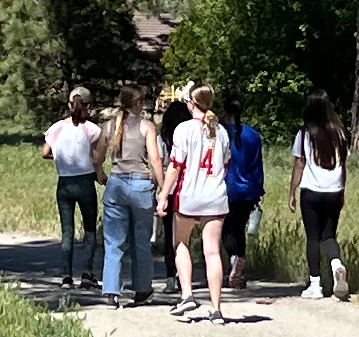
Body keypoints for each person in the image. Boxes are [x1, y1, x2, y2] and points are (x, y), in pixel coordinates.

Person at [167, 83, 235, 319]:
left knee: (181, 243)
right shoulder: (221, 131)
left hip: (189, 195)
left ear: (191, 103)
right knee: (212, 251)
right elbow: (225, 165)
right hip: (215, 195)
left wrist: (164, 194)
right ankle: (216, 308)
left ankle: (187, 294)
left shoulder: (184, 129)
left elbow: (175, 165)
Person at [100, 93, 165, 305]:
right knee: (141, 241)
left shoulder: (109, 126)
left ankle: (111, 291)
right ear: (138, 103)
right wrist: (163, 187)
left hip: (116, 183)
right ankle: (142, 289)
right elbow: (155, 159)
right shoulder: (147, 127)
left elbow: (97, 157)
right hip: (141, 185)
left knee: (114, 241)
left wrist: (100, 174)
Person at [42, 88, 103, 291]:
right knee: (90, 229)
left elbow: (45, 152)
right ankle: (87, 273)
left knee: (67, 230)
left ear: (69, 105)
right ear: (88, 106)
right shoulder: (91, 129)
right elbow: (98, 155)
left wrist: (60, 156)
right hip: (85, 181)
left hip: (64, 183)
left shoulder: (57, 128)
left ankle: (66, 277)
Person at [295, 92, 349, 299]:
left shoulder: (305, 134)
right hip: (334, 191)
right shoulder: (340, 134)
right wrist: (342, 190)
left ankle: (315, 284)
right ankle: (336, 264)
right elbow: (343, 165)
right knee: (329, 235)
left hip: (311, 191)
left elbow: (299, 164)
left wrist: (292, 192)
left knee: (313, 237)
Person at [224, 94, 266, 283]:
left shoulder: (221, 132)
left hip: (226, 188)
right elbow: (257, 165)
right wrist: (260, 189)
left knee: (226, 229)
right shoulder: (253, 135)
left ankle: (233, 259)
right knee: (239, 228)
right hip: (248, 189)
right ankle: (239, 265)